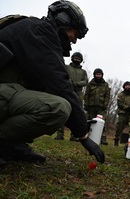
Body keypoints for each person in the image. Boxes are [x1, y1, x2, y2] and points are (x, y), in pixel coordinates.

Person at [0, 0, 105, 168]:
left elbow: (46, 84)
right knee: (58, 107)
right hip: (4, 92)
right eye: (75, 33)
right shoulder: (40, 32)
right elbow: (59, 85)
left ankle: (12, 146)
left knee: (45, 99)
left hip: (6, 92)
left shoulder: (34, 30)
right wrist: (83, 135)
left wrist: (80, 123)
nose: (75, 41)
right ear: (63, 21)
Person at [54, 51, 88, 141]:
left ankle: (74, 135)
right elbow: (61, 75)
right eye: (75, 58)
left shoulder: (83, 71)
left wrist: (77, 83)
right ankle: (60, 133)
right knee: (62, 110)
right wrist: (68, 82)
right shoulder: (66, 67)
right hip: (66, 90)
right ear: (72, 58)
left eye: (79, 59)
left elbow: (86, 81)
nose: (77, 60)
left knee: (77, 113)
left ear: (81, 60)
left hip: (78, 93)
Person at [84, 68, 111, 145]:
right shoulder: (90, 84)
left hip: (101, 107)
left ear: (102, 75)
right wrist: (86, 104)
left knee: (102, 123)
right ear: (94, 75)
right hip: (91, 106)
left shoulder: (105, 85)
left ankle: (103, 139)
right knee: (89, 122)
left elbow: (107, 96)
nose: (98, 76)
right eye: (97, 74)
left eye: (99, 74)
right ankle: (86, 137)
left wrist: (105, 105)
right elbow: (86, 95)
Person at [114, 81, 130, 147]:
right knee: (119, 127)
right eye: (126, 85)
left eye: (128, 85)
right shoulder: (121, 94)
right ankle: (116, 141)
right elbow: (119, 103)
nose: (127, 87)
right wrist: (126, 107)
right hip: (122, 113)